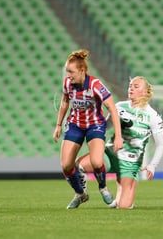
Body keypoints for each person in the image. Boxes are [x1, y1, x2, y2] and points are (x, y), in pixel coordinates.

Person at [76, 76, 163, 209]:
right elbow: (105, 127)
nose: (131, 88)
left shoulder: (153, 115)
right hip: (111, 155)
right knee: (78, 165)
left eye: (136, 86)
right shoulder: (118, 106)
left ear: (146, 91)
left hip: (129, 164)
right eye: (130, 85)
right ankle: (83, 194)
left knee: (123, 207)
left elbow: (161, 144)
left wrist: (153, 165)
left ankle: (124, 183)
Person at [52, 49, 123, 209]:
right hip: (75, 125)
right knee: (66, 166)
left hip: (95, 125)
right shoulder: (67, 83)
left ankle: (103, 187)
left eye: (71, 72)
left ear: (82, 70)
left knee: (97, 162)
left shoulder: (95, 85)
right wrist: (58, 125)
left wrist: (118, 136)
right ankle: (80, 194)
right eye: (66, 71)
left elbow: (112, 108)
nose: (68, 75)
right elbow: (65, 101)